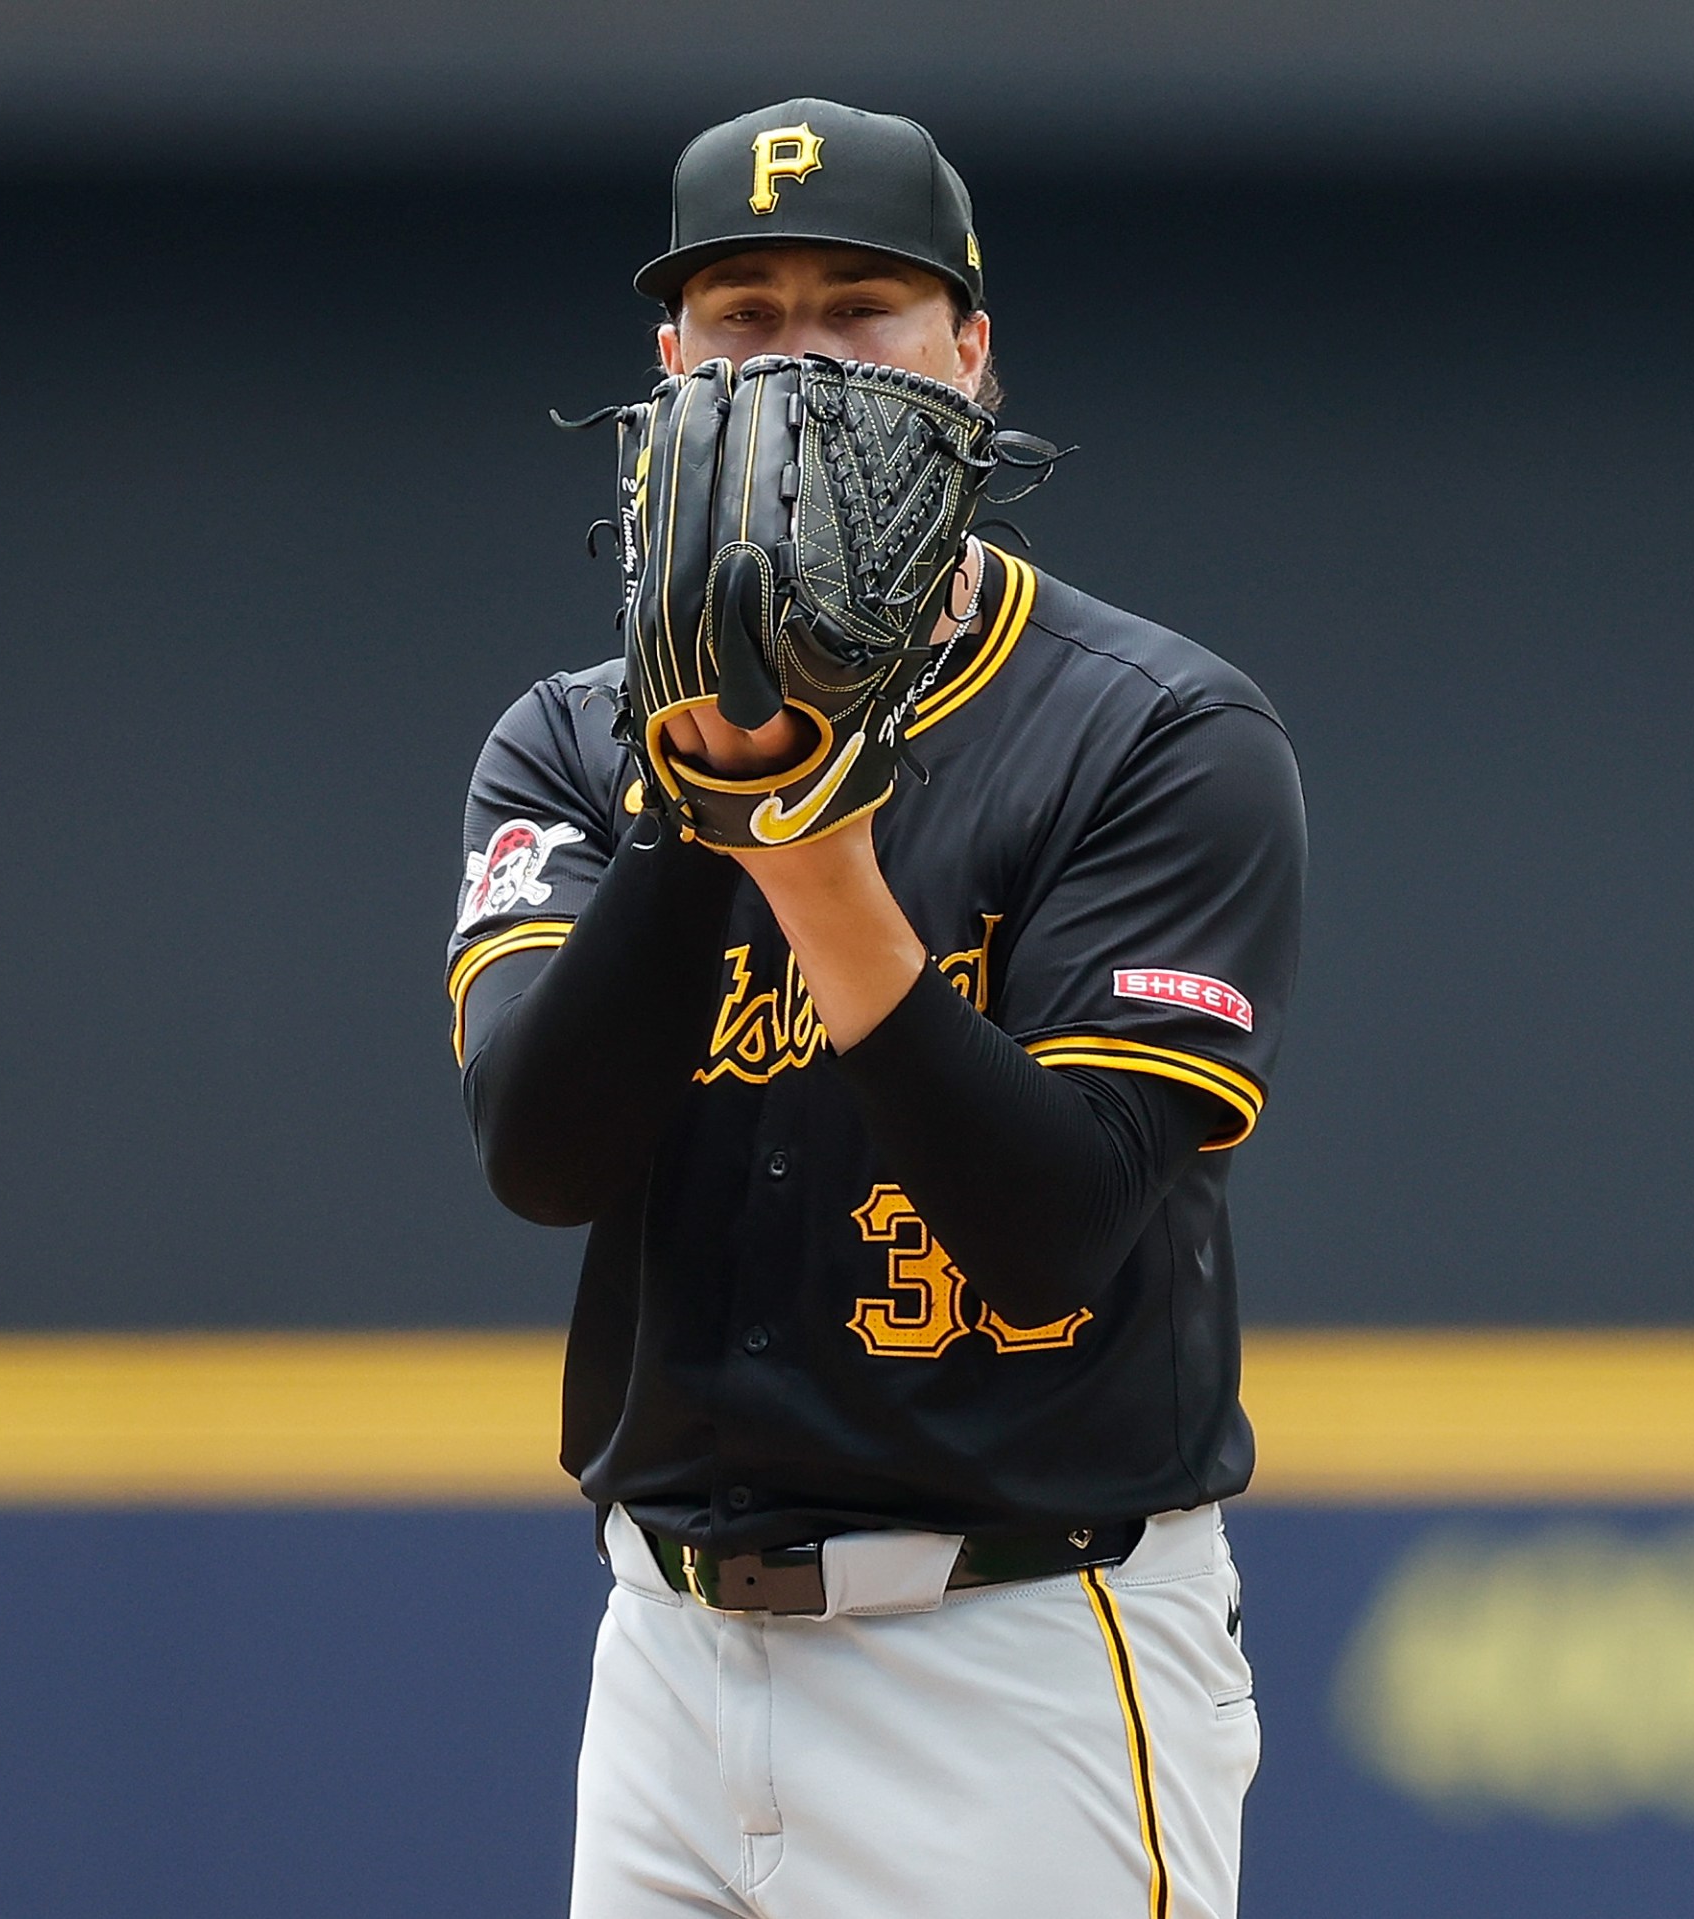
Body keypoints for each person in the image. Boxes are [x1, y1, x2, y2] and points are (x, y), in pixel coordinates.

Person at [445, 99, 1306, 1919]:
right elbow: (543, 1151)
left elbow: (1054, 1235)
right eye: (745, 318)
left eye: (861, 312)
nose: (798, 364)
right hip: (674, 1657)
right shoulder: (571, 741)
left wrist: (811, 852)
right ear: (666, 364)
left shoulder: (1155, 734)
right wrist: (715, 788)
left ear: (972, 360)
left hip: (1018, 1655)